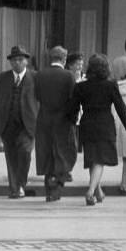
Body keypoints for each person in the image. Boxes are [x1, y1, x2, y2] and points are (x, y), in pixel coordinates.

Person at [67, 53, 126, 206]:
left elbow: (73, 108)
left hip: (87, 124)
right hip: (105, 124)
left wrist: (71, 122)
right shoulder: (110, 85)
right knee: (99, 160)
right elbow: (120, 107)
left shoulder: (81, 86)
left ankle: (98, 191)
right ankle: (90, 192)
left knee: (92, 159)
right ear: (105, 68)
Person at [0, 45, 39, 198]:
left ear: (26, 61)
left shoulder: (35, 77)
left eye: (20, 60)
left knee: (25, 152)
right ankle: (15, 188)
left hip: (28, 124)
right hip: (8, 123)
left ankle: (20, 183)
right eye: (14, 60)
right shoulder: (1, 78)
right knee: (11, 156)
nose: (17, 63)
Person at [33, 46, 77, 202]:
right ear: (64, 59)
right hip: (63, 120)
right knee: (63, 152)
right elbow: (73, 99)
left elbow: (37, 96)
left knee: (46, 153)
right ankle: (57, 185)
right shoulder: (68, 76)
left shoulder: (39, 75)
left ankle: (49, 185)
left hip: (44, 118)